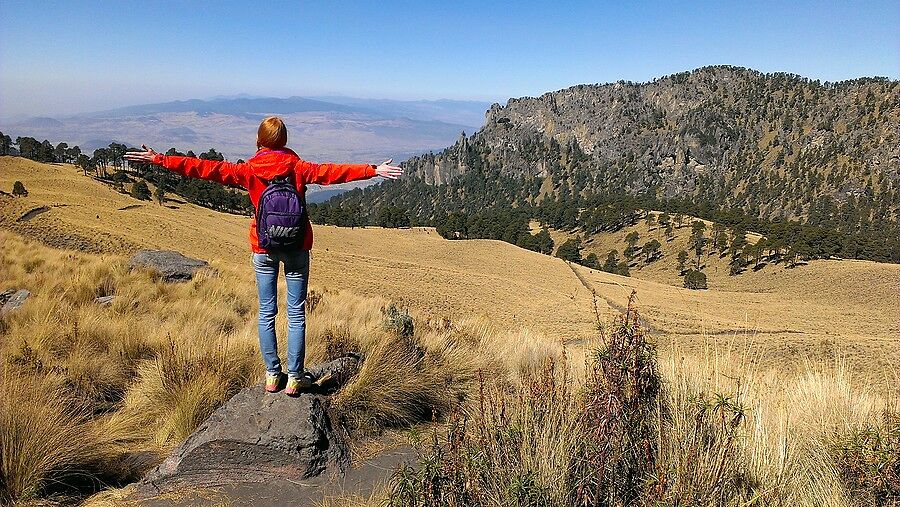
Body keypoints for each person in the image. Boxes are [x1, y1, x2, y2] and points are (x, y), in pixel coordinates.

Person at [124, 116, 402, 395]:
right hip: (296, 247)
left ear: (259, 141)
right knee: (296, 314)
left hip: (263, 246)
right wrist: (373, 169)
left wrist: (160, 159)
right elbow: (333, 172)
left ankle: (272, 375)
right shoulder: (299, 168)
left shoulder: (248, 170)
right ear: (285, 141)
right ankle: (294, 378)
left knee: (267, 312)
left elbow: (204, 168)